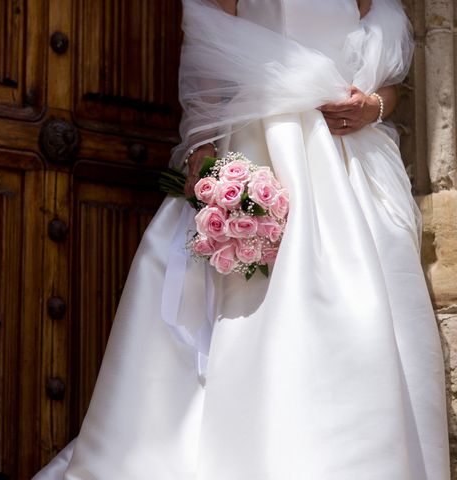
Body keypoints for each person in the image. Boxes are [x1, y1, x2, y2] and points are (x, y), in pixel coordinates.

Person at [34, 0, 450, 478]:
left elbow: (385, 83)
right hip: (264, 144)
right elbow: (207, 55)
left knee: (369, 310)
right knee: (253, 311)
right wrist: (203, 151)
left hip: (349, 160)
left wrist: (372, 106)